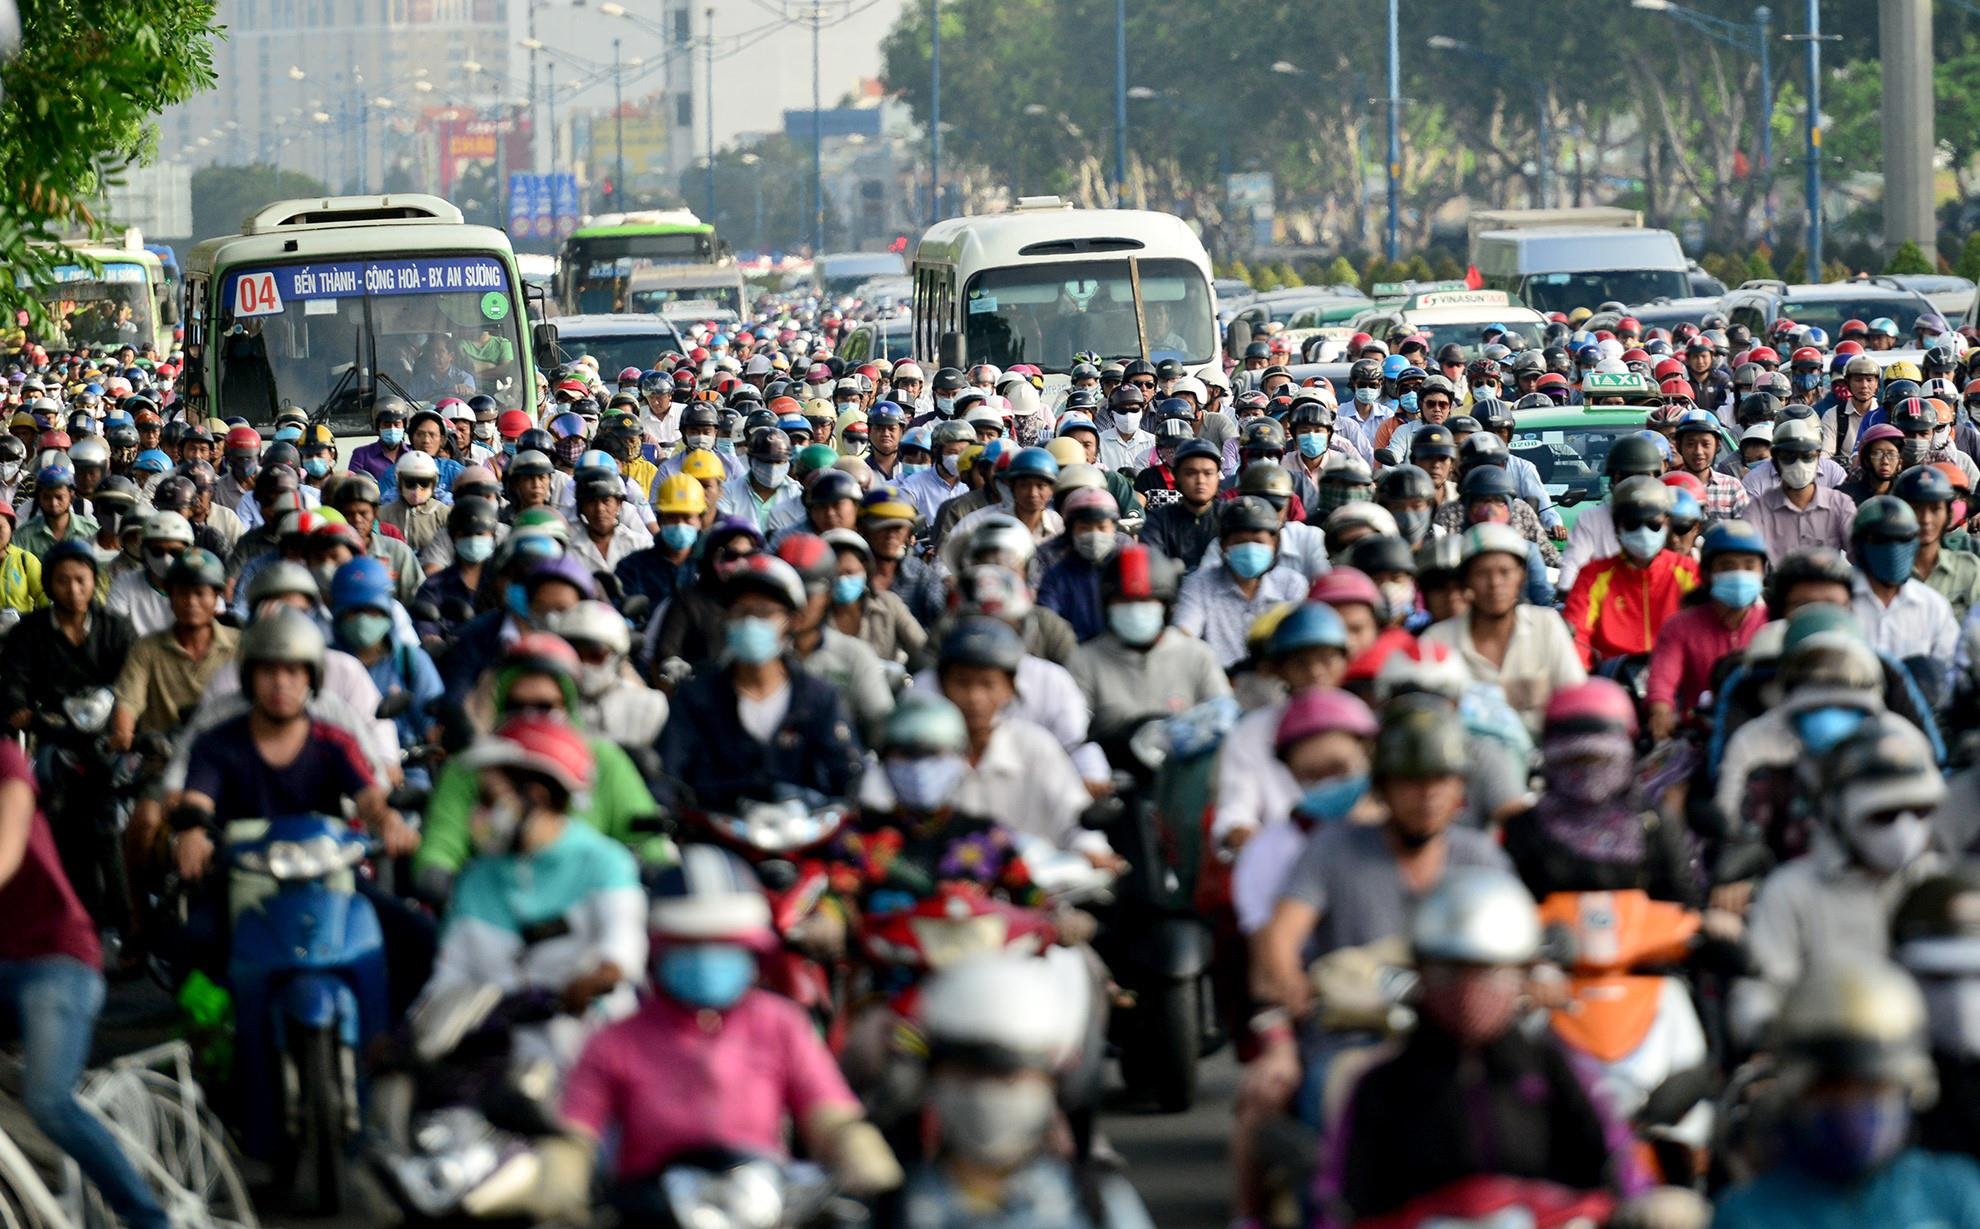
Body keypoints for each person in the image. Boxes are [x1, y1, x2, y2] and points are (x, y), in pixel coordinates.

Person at [546, 847, 900, 1223]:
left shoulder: (779, 1024)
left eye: (725, 946)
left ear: (754, 953)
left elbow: (827, 1110)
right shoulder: (616, 1040)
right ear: (659, 951)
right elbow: (576, 1133)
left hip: (762, 1206)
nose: (707, 958)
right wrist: (558, 1177)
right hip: (648, 1211)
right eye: (690, 946)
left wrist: (858, 1150)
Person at [1314, 867, 1651, 1226]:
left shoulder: (1550, 1068)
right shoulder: (1383, 1085)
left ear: (1522, 973)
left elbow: (1618, 1170)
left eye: (1490, 972)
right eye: (1449, 971)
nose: (1469, 991)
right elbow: (1340, 1204)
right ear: (1421, 972)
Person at [0, 735, 170, 1229]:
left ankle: (148, 1219)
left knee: (49, 1100)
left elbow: (8, 845)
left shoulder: (5, 761)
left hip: (56, 960)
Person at [415, 712, 646, 1073]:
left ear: (536, 796)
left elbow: (622, 944)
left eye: (490, 799)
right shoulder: (477, 879)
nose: (478, 814)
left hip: (593, 1057)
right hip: (496, 1066)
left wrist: (599, 976)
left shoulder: (604, 863)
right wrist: (413, 1031)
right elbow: (452, 974)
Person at [1732, 712, 1947, 1047]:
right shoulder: (1791, 891)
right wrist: (1773, 1036)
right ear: (1838, 812)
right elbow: (1759, 995)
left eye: (1919, 811)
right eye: (1884, 815)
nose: (1904, 830)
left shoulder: (1941, 886)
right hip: (1828, 1061)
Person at [1714, 961, 1980, 1228]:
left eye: (1875, 1087)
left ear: (1912, 1087)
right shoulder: (1749, 1217)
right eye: (1835, 1088)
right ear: (1796, 1091)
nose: (1853, 1103)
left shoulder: (1952, 1196)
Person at [892, 954, 1149, 1229]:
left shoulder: (1097, 1205)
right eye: (969, 1074)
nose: (985, 1094)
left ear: (1051, 1082)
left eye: (1008, 1076)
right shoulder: (887, 1209)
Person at [414, 634, 663, 889]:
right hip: (497, 900)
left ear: (568, 705)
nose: (530, 717)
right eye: (516, 706)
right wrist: (437, 873)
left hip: (592, 899)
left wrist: (658, 866)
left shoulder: (602, 760)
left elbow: (645, 835)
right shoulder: (472, 765)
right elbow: (444, 839)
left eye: (544, 707)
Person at [658, 553, 865, 810]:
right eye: (740, 612)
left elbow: (849, 775)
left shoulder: (818, 698)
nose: (750, 622)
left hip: (803, 829)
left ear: (793, 621)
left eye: (764, 613)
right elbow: (668, 775)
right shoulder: (696, 698)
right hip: (714, 828)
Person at [1501, 680, 1698, 906]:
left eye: (1601, 760)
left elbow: (1684, 902)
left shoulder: (1652, 824)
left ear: (1624, 757)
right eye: (1574, 761)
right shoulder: (1529, 827)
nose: (1588, 774)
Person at [1422, 523, 1585, 729]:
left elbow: (1575, 699)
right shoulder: (1436, 640)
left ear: (1521, 576)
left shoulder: (1547, 625)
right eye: (1482, 573)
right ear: (1466, 581)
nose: (1495, 583)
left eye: (1505, 572)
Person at [1068, 543, 1230, 743]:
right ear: (1107, 606)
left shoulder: (1197, 655)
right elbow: (1072, 732)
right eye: (1124, 601)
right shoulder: (1084, 661)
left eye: (1146, 601)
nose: (1135, 610)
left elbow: (1222, 719)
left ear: (1166, 607)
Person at [1644, 518, 1770, 739]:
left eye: (1749, 566)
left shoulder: (1774, 623)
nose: (1739, 574)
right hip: (1700, 736)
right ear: (1707, 574)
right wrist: (1661, 712)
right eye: (1727, 567)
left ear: (1763, 572)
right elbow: (1662, 681)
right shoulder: (1679, 626)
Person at [1562, 476, 1699, 668]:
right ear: (1617, 526)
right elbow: (1578, 635)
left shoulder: (1688, 572)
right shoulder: (1593, 576)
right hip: (1612, 676)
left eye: (1653, 524)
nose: (1643, 531)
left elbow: (1704, 631)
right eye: (1632, 524)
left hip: (1676, 674)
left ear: (1667, 524)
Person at [1171, 496, 1307, 668]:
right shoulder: (1199, 584)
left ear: (1274, 544)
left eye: (1258, 542)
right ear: (1223, 546)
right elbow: (1183, 637)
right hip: (1216, 681)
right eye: (1240, 542)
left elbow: (1301, 644)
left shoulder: (1292, 585)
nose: (1250, 549)